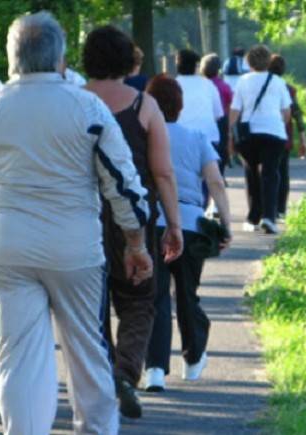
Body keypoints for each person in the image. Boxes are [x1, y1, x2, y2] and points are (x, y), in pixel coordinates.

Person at [0, 11, 153, 435]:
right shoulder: (86, 106)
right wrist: (135, 243)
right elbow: (123, 185)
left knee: (17, 354)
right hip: (75, 247)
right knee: (88, 350)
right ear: (60, 58)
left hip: (9, 245)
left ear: (12, 58)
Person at [83, 25, 182, 419]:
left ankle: (103, 376)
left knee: (92, 305)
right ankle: (125, 372)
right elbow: (163, 172)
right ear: (127, 60)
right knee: (140, 300)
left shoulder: (76, 102)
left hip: (85, 216)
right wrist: (174, 224)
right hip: (135, 219)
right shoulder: (145, 106)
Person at [144, 75, 231, 391]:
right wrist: (225, 224)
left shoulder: (143, 138)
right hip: (192, 224)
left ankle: (154, 367)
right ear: (179, 106)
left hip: (152, 223)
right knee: (187, 294)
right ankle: (193, 358)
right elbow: (216, 183)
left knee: (154, 297)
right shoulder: (197, 138)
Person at [229, 44, 291, 235]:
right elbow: (286, 111)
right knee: (270, 174)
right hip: (273, 133)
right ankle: (269, 218)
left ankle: (252, 217)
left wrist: (230, 134)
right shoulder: (278, 82)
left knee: (252, 173)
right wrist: (277, 123)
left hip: (249, 134)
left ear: (249, 62)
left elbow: (235, 110)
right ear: (268, 61)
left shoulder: (243, 81)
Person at [268, 55, 306, 219]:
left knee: (267, 172)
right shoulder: (289, 89)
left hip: (265, 134)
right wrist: (303, 137)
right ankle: (281, 209)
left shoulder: (263, 86)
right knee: (283, 173)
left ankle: (267, 208)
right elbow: (297, 114)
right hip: (284, 135)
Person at [175, 49, 224, 177]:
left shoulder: (173, 84)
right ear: (196, 66)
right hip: (209, 137)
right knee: (208, 178)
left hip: (180, 139)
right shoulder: (208, 84)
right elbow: (218, 114)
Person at [201, 53, 233, 176]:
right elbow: (230, 104)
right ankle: (219, 174)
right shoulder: (224, 86)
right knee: (221, 149)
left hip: (205, 119)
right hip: (221, 120)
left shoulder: (200, 85)